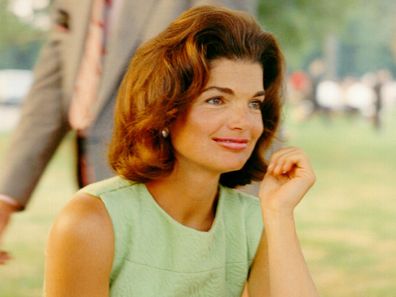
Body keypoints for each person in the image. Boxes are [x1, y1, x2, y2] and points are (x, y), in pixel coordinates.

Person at [44, 6, 319, 297]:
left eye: (254, 103)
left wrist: (279, 213)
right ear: (164, 110)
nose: (244, 123)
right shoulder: (90, 222)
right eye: (216, 100)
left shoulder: (254, 221)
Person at [0, 0, 258, 265]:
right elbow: (53, 84)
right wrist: (5, 199)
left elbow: (240, 68)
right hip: (95, 176)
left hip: (172, 182)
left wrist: (248, 235)